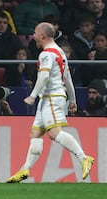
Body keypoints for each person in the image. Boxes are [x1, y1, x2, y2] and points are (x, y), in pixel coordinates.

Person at [6, 22, 95, 183]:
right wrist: (73, 100)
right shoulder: (60, 52)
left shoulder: (46, 54)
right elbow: (67, 78)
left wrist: (32, 95)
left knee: (54, 133)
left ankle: (84, 158)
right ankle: (25, 169)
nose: (33, 36)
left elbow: (44, 76)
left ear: (43, 35)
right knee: (36, 133)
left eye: (35, 33)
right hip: (50, 97)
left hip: (52, 97)